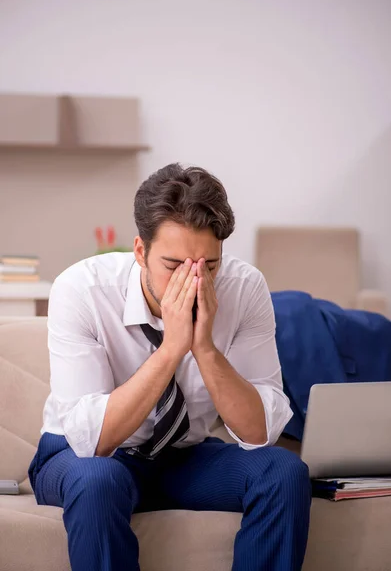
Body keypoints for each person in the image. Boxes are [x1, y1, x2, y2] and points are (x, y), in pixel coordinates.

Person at [28, 163, 311, 571]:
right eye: (174, 266)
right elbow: (95, 442)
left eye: (208, 267)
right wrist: (171, 349)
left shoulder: (244, 288)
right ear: (140, 252)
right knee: (98, 480)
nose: (194, 283)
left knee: (284, 472)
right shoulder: (82, 289)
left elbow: (259, 433)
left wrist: (205, 349)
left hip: (183, 457)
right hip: (84, 457)